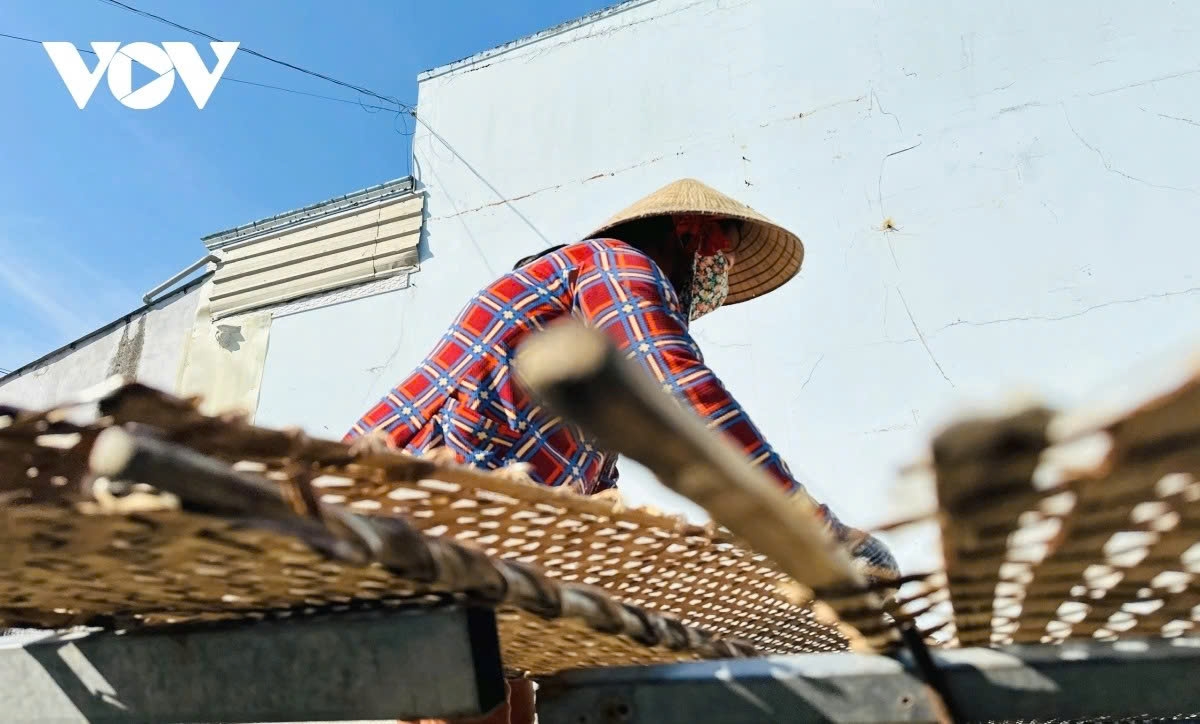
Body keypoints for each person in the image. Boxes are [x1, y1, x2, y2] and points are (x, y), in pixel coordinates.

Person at [346, 178, 898, 724]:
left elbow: (601, 486)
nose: (719, 277)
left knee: (507, 694)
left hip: (483, 532)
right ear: (691, 231)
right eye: (722, 254)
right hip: (422, 501)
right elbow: (683, 399)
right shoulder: (616, 264)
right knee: (472, 697)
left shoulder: (592, 341)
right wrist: (812, 531)